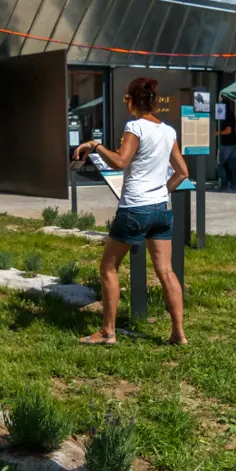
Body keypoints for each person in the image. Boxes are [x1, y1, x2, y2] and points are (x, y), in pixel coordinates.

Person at [72, 76, 189, 346]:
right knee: (166, 271)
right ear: (155, 102)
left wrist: (96, 146)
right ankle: (178, 334)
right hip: (161, 208)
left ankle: (107, 331)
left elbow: (121, 162)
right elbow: (183, 172)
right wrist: (162, 191)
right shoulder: (168, 131)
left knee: (108, 267)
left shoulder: (134, 126)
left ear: (129, 101)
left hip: (135, 208)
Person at [217, 95, 236, 190]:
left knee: (220, 164)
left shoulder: (226, 115)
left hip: (226, 144)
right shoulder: (231, 114)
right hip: (233, 142)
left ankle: (223, 185)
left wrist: (217, 132)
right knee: (233, 165)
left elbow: (228, 130)